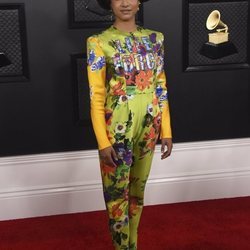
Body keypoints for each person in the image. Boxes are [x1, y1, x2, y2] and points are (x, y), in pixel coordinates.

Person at [86, 0, 173, 249]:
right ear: (109, 3)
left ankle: (132, 243)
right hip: (117, 129)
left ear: (139, 3)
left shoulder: (156, 39)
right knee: (116, 195)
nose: (125, 3)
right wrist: (103, 141)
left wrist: (166, 129)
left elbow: (160, 85)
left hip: (150, 124)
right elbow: (96, 95)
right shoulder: (99, 42)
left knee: (137, 192)